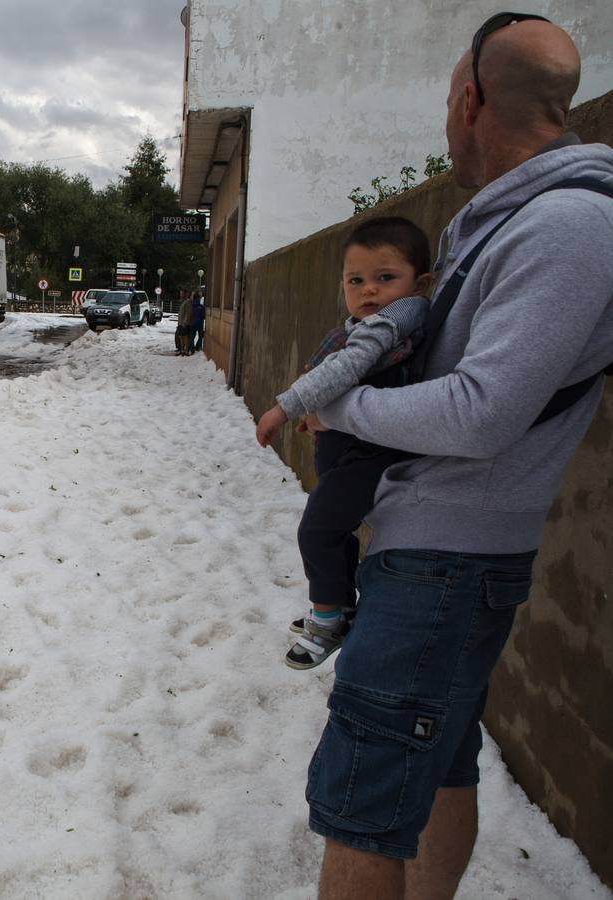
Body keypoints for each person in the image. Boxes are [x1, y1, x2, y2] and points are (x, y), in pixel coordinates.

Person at [302, 18, 612, 899]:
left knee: (361, 803)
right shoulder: (513, 221)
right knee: (438, 764)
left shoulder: (567, 226)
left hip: (445, 563)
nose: (445, 120)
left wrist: (339, 405)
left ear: (470, 101)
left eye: (447, 102)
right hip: (441, 555)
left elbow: (481, 414)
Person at [254, 217, 432, 669]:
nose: (369, 290)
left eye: (385, 277)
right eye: (356, 280)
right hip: (349, 450)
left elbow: (343, 369)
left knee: (316, 532)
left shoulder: (390, 322)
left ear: (420, 284)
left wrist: (286, 407)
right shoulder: (375, 321)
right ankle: (341, 605)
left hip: (367, 454)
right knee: (335, 533)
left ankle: (327, 620)